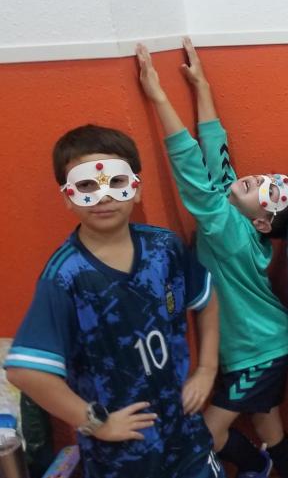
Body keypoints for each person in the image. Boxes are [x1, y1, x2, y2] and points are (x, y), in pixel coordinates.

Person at [4, 124, 223, 477]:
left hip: (185, 436)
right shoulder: (64, 277)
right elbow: (24, 370)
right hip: (122, 457)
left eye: (116, 182)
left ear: (136, 189)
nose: (103, 196)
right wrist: (97, 423)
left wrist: (207, 370)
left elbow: (206, 299)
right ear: (67, 196)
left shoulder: (164, 247)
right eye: (87, 186)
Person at [137, 41, 288, 477]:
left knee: (203, 433)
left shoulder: (228, 230)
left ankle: (258, 466)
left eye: (268, 191)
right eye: (267, 178)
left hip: (259, 352)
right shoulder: (236, 216)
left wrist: (159, 97)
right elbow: (217, 156)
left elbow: (193, 172)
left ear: (263, 222)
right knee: (269, 427)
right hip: (256, 347)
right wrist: (202, 87)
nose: (257, 180)